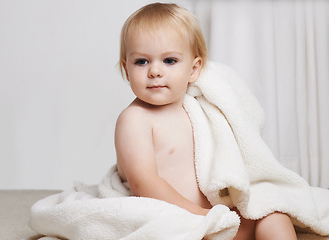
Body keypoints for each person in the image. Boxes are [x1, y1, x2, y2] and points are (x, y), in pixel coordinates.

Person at [114, 3, 297, 240]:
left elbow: (229, 153)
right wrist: (201, 216)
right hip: (171, 216)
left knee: (272, 214)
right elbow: (143, 183)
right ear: (126, 70)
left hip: (213, 212)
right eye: (141, 61)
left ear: (194, 69)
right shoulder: (134, 119)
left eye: (169, 60)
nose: (155, 71)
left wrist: (220, 211)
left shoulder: (200, 109)